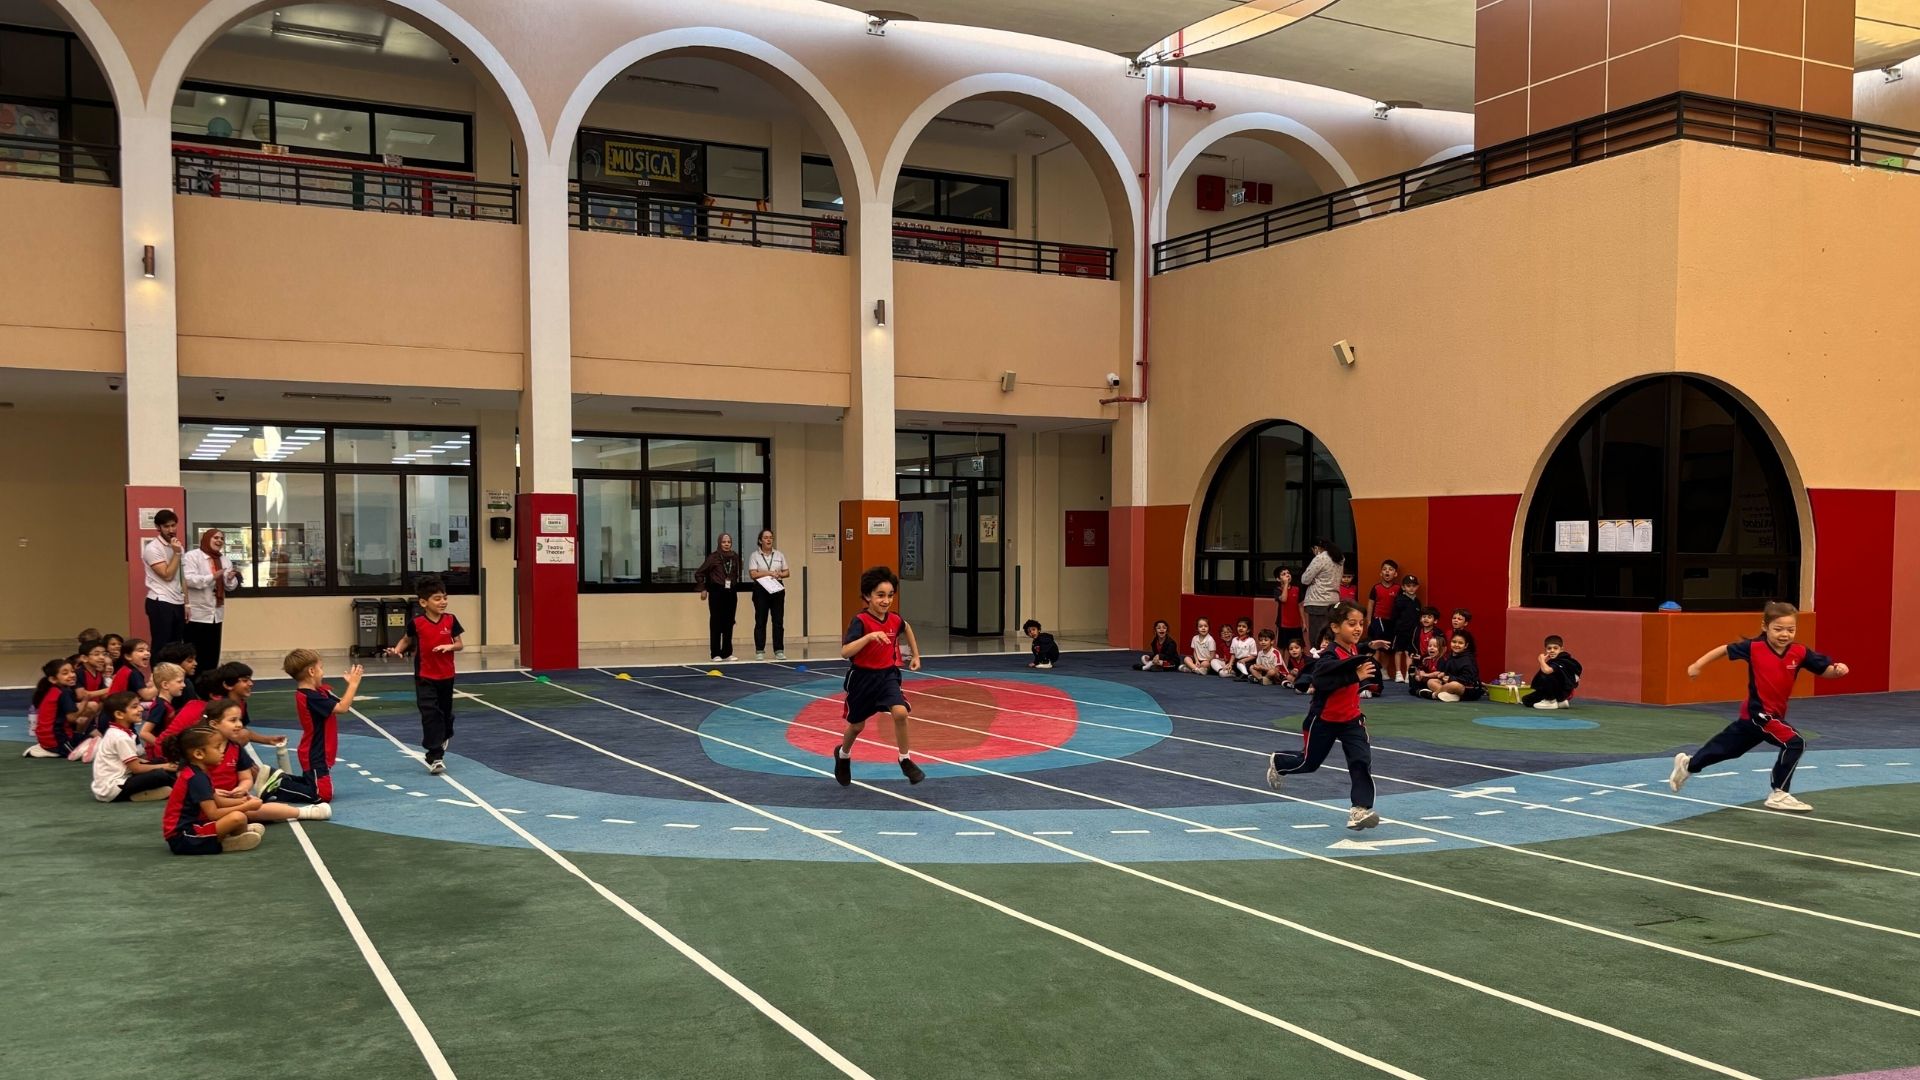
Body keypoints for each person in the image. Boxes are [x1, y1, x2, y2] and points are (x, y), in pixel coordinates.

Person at [1671, 602, 1848, 813]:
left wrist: (1837, 671)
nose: (1785, 634)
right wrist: (1697, 665)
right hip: (1760, 714)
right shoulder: (1754, 648)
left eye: (1790, 630)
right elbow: (1724, 649)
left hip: (1757, 716)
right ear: (1765, 626)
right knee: (1794, 743)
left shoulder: (1799, 652)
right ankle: (1779, 793)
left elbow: (1825, 670)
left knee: (1727, 750)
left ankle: (1688, 765)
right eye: (1778, 629)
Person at [1265, 601, 1381, 830]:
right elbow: (1321, 681)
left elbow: (1355, 653)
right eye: (1352, 624)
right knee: (1309, 763)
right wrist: (1355, 676)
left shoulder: (1353, 648)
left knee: (1360, 761)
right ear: (1336, 627)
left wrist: (1369, 645)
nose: (1358, 628)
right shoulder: (1329, 655)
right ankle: (1279, 762)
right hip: (1324, 720)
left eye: (1361, 623)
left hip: (1351, 720)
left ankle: (1359, 810)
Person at [833, 565, 924, 786]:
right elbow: (845, 652)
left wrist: (916, 655)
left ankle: (905, 759)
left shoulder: (894, 619)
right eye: (880, 595)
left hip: (887, 676)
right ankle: (843, 754)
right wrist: (869, 637)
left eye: (890, 595)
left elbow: (907, 627)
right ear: (867, 596)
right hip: (862, 679)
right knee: (857, 726)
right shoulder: (861, 621)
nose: (886, 600)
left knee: (900, 713)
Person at [386, 574, 464, 775]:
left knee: (445, 715)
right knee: (430, 713)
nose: (443, 602)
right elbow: (406, 639)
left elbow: (459, 644)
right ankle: (435, 755)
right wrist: (397, 650)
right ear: (423, 602)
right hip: (424, 676)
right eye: (437, 598)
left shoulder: (451, 620)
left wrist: (450, 646)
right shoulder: (417, 622)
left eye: (445, 598)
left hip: (446, 676)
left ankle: (445, 733)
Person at [158, 725, 264, 855]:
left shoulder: (198, 772)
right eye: (217, 747)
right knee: (238, 817)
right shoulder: (196, 778)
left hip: (192, 829)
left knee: (239, 817)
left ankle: (233, 835)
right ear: (199, 754)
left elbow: (218, 801)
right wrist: (246, 806)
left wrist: (244, 801)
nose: (222, 751)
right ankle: (228, 841)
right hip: (184, 838)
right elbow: (213, 814)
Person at [286, 648, 364, 802]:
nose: (323, 672)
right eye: (321, 668)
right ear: (311, 671)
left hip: (318, 751)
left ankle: (282, 779)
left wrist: (350, 685)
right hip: (316, 752)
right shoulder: (311, 697)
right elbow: (342, 708)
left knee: (313, 785)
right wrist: (354, 684)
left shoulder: (318, 693)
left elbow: (340, 704)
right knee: (323, 794)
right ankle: (279, 785)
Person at [90, 692, 177, 802]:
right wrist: (165, 766)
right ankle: (174, 787)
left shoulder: (117, 732)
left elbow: (129, 761)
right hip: (113, 789)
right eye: (134, 707)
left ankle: (152, 790)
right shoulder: (120, 737)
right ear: (119, 714)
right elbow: (136, 768)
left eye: (139, 705)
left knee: (158, 762)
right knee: (160, 774)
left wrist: (159, 764)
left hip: (117, 781)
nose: (141, 709)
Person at [182, 527, 244, 671]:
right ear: (206, 539)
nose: (219, 541)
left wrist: (230, 579)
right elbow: (188, 580)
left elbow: (230, 587)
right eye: (215, 537)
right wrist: (212, 577)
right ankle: (193, 682)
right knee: (194, 654)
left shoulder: (224, 560)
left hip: (216, 614)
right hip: (196, 614)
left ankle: (210, 680)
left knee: (212, 653)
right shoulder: (192, 556)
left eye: (222, 538)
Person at [141, 510, 187, 650]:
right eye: (166, 526)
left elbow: (182, 576)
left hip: (177, 600)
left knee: (176, 646)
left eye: (173, 525)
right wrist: (177, 553)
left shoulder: (178, 546)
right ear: (158, 527)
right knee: (161, 645)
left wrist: (187, 604)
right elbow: (167, 575)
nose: (171, 530)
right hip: (160, 600)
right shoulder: (152, 548)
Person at [695, 533, 743, 662]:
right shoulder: (713, 557)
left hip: (731, 591)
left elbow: (737, 573)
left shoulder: (735, 557)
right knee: (716, 621)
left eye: (729, 542)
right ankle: (715, 653)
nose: (726, 544)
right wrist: (703, 588)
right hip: (717, 591)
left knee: (729, 621)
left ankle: (727, 652)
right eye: (724, 542)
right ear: (719, 543)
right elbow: (699, 573)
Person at [25, 659, 86, 759]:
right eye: (65, 673)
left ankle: (45, 749)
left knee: (87, 740)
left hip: (46, 738)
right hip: (56, 739)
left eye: (72, 671)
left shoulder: (53, 690)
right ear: (53, 679)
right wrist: (85, 700)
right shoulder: (64, 692)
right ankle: (43, 751)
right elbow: (72, 718)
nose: (72, 675)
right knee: (83, 753)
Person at [747, 529, 791, 661]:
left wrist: (779, 574)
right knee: (761, 620)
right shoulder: (754, 556)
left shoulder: (779, 555)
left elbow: (787, 572)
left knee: (778, 621)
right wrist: (769, 573)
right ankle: (760, 650)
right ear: (760, 540)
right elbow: (753, 574)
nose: (769, 540)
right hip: (761, 589)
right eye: (766, 537)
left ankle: (779, 650)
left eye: (771, 537)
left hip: (777, 588)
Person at [1416, 630, 1485, 702]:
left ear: (1466, 646)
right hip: (1450, 684)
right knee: (1431, 681)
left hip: (1468, 688)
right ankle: (1451, 696)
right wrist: (1443, 674)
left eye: (1460, 643)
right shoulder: (1450, 656)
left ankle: (1433, 695)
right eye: (1454, 642)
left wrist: (1450, 678)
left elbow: (1468, 679)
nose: (1456, 645)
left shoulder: (1468, 659)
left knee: (1454, 685)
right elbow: (1448, 672)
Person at [1299, 539, 1344, 648]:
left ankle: (1317, 656)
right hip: (1333, 601)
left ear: (1316, 548)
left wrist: (1314, 579)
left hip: (1318, 601)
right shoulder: (1339, 558)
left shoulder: (1320, 558)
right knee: (1331, 634)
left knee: (1317, 636)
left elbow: (1305, 579)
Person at [139, 663, 186, 756]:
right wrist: (162, 747)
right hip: (158, 755)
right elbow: (144, 733)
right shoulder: (160, 706)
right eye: (179, 682)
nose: (184, 685)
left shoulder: (165, 704)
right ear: (165, 684)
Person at [1524, 635, 1584, 709]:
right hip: (1553, 690)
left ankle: (1550, 701)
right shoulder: (1553, 661)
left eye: (1555, 648)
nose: (1552, 650)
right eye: (1549, 648)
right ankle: (1560, 702)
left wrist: (1541, 660)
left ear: (1561, 649)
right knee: (1526, 700)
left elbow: (1547, 671)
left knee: (1546, 673)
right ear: (1546, 650)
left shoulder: (1563, 660)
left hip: (1563, 692)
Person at [1366, 560, 1401, 677]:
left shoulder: (1398, 588)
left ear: (1395, 574)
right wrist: (1369, 620)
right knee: (1377, 646)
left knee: (1387, 647)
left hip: (1392, 621)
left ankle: (1384, 670)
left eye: (1390, 569)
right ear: (1381, 573)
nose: (1387, 571)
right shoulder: (1376, 588)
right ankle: (1374, 670)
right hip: (1378, 619)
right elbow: (1371, 604)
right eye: (1385, 569)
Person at [1388, 577, 1421, 684]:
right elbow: (1394, 616)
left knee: (1409, 653)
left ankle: (1408, 674)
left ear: (1417, 587)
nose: (1411, 588)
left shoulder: (1417, 601)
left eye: (1414, 586)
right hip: (1400, 631)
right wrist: (1396, 628)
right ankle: (1398, 673)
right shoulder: (1399, 600)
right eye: (1408, 586)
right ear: (1403, 587)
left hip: (1413, 632)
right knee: (1399, 651)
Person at [109, 638, 154, 702]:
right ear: (128, 656)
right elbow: (147, 696)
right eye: (141, 651)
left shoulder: (126, 669)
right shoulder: (133, 673)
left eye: (148, 650)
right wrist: (159, 684)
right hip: (119, 706)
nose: (147, 653)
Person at [1272, 568, 1303, 648]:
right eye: (1283, 574)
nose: (1287, 575)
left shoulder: (1296, 589)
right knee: (1283, 647)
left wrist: (1303, 622)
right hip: (1283, 624)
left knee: (1298, 646)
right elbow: (1284, 599)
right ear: (1278, 579)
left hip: (1296, 624)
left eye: (1288, 573)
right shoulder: (1277, 590)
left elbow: (1300, 606)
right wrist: (1286, 584)